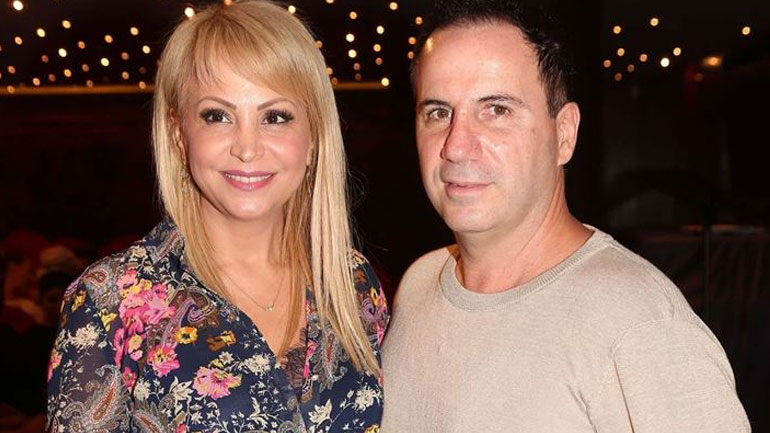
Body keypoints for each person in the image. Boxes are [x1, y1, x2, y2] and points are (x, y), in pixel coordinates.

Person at [381, 0, 749, 431]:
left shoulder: (637, 322)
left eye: (497, 110)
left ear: (564, 134)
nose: (456, 146)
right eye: (438, 112)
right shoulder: (420, 283)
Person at [46, 2, 388, 432]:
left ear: (314, 137)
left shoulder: (351, 282)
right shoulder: (111, 300)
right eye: (217, 116)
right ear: (178, 133)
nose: (247, 148)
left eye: (275, 117)